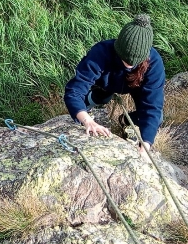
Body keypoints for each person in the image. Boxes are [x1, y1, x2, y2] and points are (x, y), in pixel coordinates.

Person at [64, 14, 165, 151]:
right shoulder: (101, 53)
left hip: (136, 86)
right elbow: (74, 90)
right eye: (124, 59)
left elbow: (152, 107)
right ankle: (90, 102)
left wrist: (145, 145)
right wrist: (87, 120)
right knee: (102, 97)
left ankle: (126, 120)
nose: (128, 66)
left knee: (157, 118)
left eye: (133, 63)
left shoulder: (154, 64)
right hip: (106, 82)